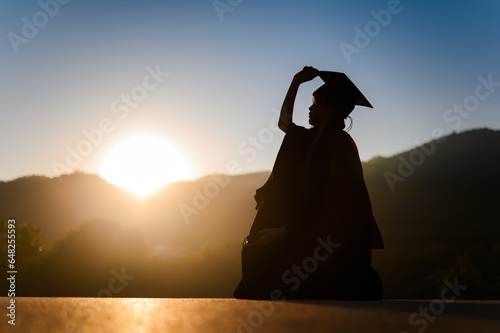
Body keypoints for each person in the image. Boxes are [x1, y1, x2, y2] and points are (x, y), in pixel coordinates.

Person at [233, 66, 384, 300]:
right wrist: (295, 82)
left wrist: (284, 231)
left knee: (263, 272)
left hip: (320, 242)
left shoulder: (336, 145)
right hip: (300, 230)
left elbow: (331, 202)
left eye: (315, 103)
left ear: (330, 108)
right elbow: (285, 124)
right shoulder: (311, 139)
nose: (310, 108)